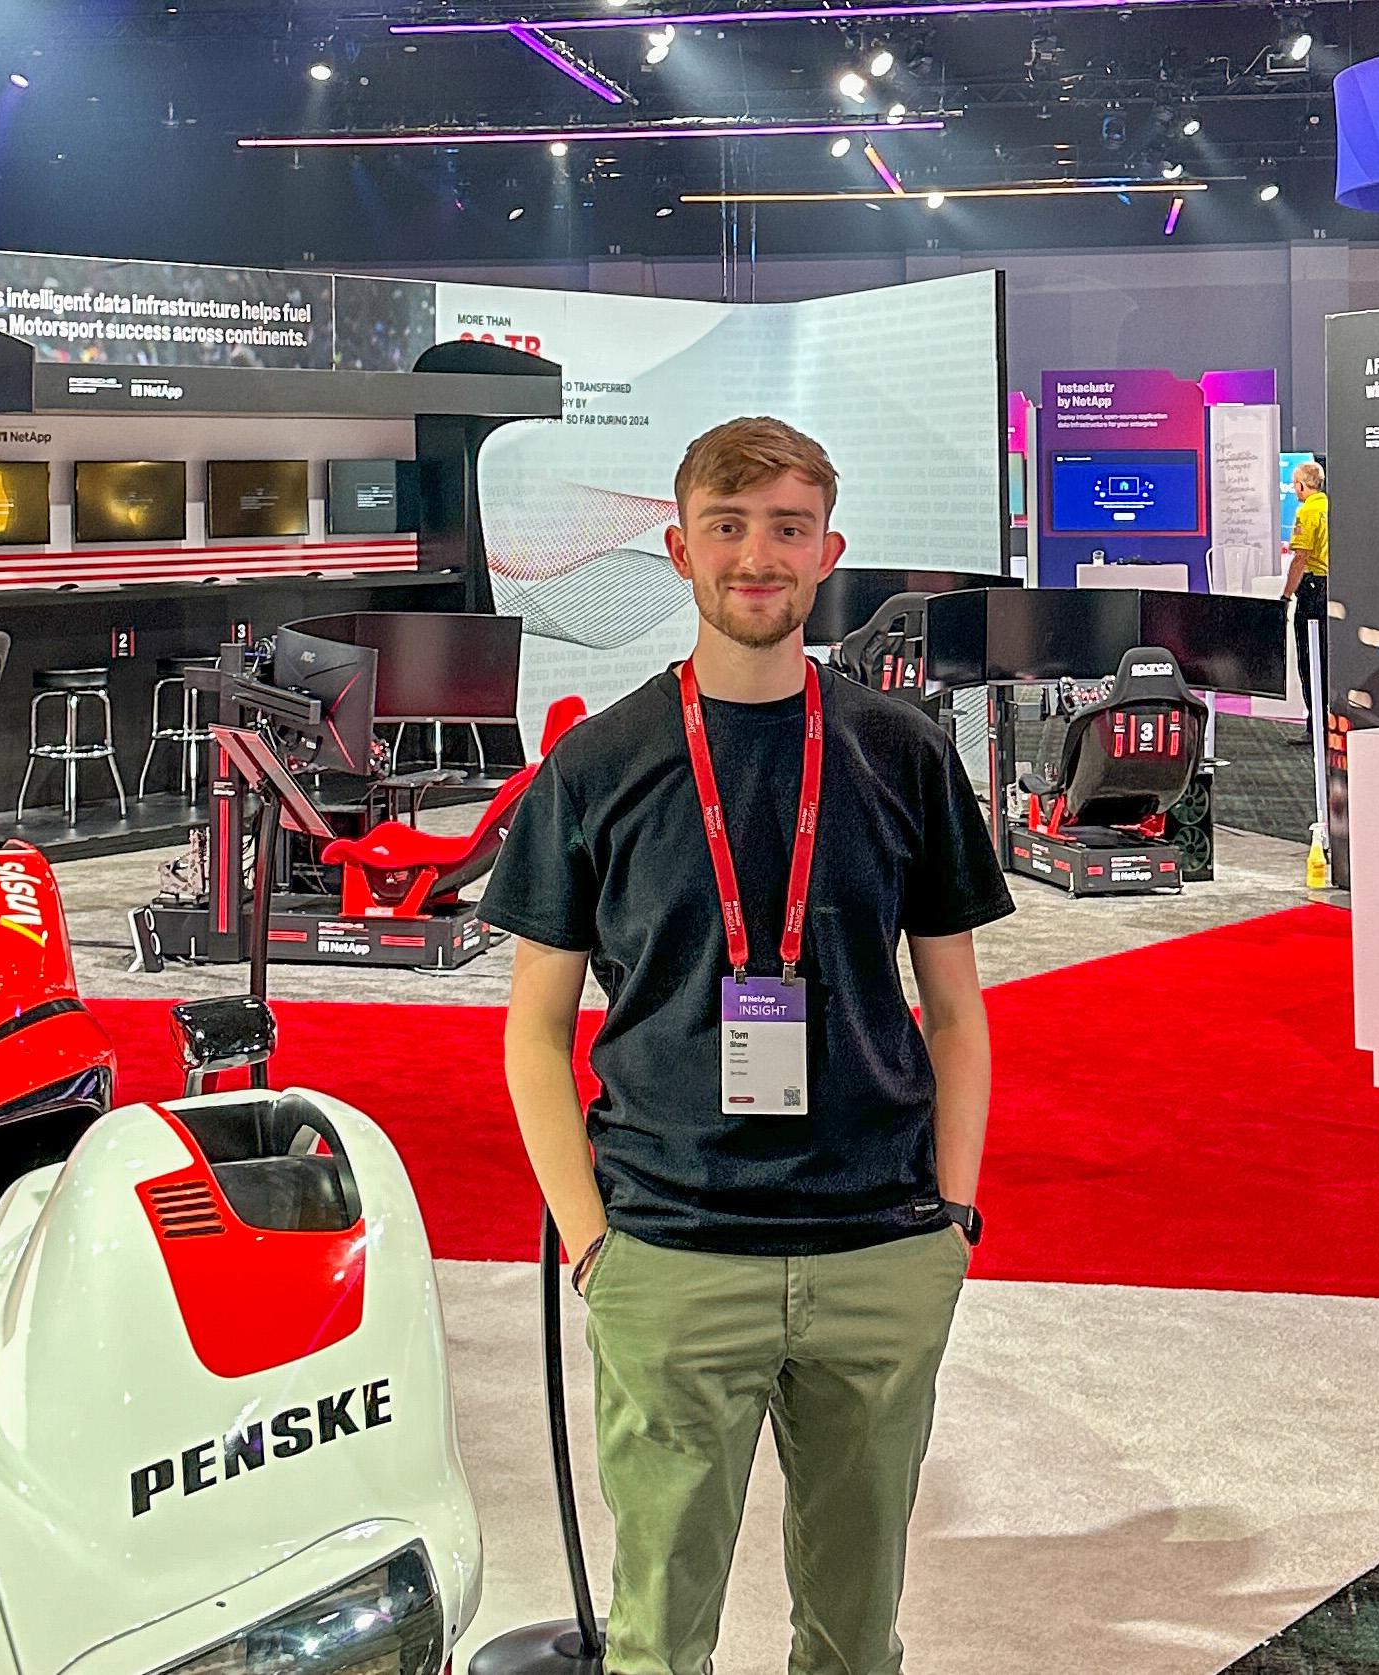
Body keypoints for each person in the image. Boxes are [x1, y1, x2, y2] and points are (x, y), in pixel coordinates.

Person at [482, 416, 1014, 1675]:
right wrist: (593, 1245)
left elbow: (956, 1010)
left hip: (878, 1249)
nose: (756, 556)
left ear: (827, 550)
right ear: (678, 549)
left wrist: (953, 1216)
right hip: (669, 1251)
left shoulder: (901, 755)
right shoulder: (595, 765)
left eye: (786, 528)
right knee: (660, 1638)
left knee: (853, 1632)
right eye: (728, 527)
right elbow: (534, 1031)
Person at [1281, 460, 1328, 738]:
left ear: (1300, 485)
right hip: (1331, 590)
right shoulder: (1330, 507)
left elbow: (1301, 558)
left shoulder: (1307, 512)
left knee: (1309, 658)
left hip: (1312, 591)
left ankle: (1315, 725)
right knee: (1326, 658)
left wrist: (1286, 595)